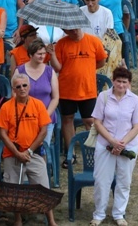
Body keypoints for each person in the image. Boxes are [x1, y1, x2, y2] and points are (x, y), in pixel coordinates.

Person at [0, 71, 57, 226]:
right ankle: (18, 220)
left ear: (29, 87)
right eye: (18, 86)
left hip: (33, 154)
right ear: (13, 89)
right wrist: (17, 153)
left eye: (24, 85)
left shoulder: (38, 105)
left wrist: (28, 151)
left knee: (44, 188)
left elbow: (43, 131)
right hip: (12, 154)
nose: (22, 88)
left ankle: (51, 220)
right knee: (14, 190)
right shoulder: (6, 107)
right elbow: (2, 134)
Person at [90, 67, 138, 226]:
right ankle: (99, 214)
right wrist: (112, 141)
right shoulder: (103, 96)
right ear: (113, 81)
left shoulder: (134, 99)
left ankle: (119, 214)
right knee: (101, 181)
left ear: (129, 83)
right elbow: (97, 122)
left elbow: (137, 126)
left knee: (124, 181)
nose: (121, 85)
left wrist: (122, 144)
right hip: (105, 144)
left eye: (124, 82)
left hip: (128, 146)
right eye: (118, 81)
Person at [51, 27, 107, 168]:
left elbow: (101, 61)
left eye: (75, 29)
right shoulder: (61, 44)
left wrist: (87, 69)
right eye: (69, 31)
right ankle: (71, 155)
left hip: (87, 89)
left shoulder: (93, 41)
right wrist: (51, 54)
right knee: (67, 119)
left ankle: (94, 152)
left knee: (90, 121)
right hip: (67, 89)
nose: (73, 32)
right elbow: (57, 67)